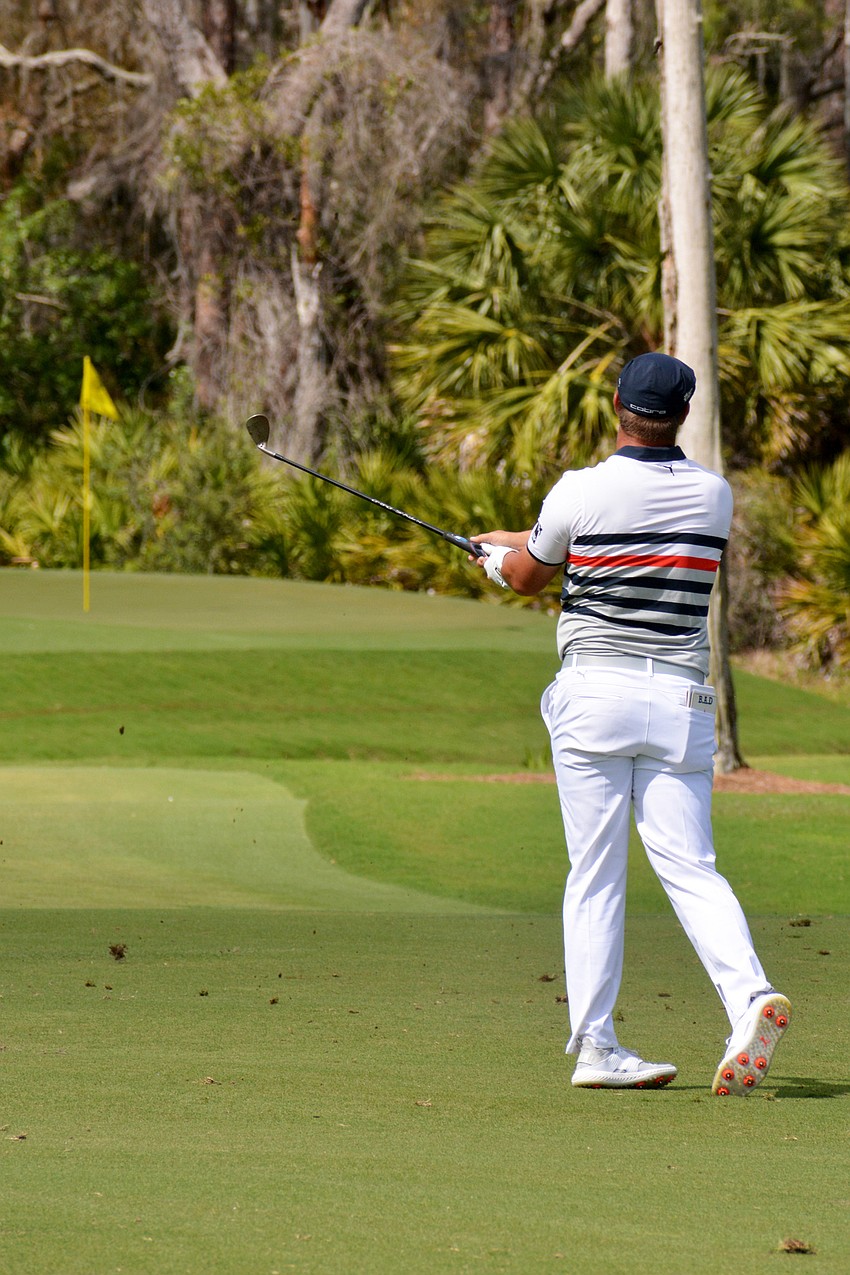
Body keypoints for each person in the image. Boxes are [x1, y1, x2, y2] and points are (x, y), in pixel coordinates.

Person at [471, 351, 791, 1095]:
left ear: (615, 402)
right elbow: (600, 531)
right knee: (690, 864)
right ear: (683, 412)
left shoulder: (579, 489)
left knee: (596, 872)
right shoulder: (715, 495)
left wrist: (494, 557)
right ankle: (749, 998)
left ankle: (597, 1046)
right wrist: (511, 537)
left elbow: (530, 571)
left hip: (595, 696)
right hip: (679, 702)